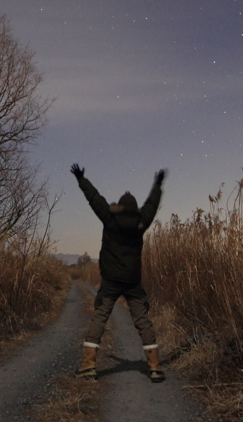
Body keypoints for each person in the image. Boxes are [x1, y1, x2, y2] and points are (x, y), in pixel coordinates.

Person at [70, 163, 167, 383]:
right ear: (134, 209)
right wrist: (158, 184)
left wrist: (81, 179)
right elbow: (152, 203)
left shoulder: (110, 218)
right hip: (132, 282)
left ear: (120, 207)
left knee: (99, 318)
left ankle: (88, 366)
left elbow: (94, 198)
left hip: (110, 281)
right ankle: (155, 367)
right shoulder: (142, 221)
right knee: (143, 321)